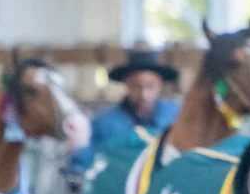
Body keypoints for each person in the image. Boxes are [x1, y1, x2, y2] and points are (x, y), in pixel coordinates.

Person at [69, 50, 180, 178]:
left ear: (160, 85)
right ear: (126, 85)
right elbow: (84, 160)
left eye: (150, 87)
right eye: (136, 87)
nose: (144, 95)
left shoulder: (175, 116)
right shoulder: (104, 122)